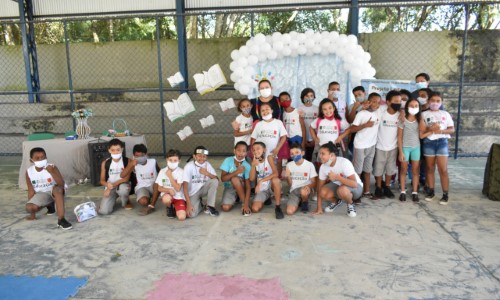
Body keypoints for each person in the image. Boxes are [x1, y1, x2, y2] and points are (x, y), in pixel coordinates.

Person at [420, 92, 454, 205]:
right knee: (430, 168)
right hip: (429, 143)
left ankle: (445, 194)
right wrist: (431, 128)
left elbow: (451, 129)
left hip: (442, 143)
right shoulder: (424, 114)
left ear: (441, 102)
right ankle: (431, 191)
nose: (435, 103)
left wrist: (441, 131)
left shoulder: (445, 114)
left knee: (443, 169)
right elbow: (422, 131)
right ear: (428, 102)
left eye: (438, 101)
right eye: (433, 100)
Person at [25, 147, 72, 229]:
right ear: (31, 160)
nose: (40, 159)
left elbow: (61, 184)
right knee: (30, 207)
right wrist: (33, 215)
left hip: (56, 191)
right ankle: (50, 205)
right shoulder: (29, 172)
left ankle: (61, 219)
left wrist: (51, 172)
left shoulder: (52, 167)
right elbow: (31, 191)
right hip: (43, 193)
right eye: (37, 158)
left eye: (42, 157)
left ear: (46, 158)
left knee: (57, 189)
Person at [314, 142, 363, 217]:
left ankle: (350, 203)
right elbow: (319, 187)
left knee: (342, 190)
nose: (320, 156)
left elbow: (354, 184)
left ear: (331, 155)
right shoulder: (323, 167)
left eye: (323, 154)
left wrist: (337, 177)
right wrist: (319, 208)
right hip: (339, 185)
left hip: (356, 187)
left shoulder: (344, 162)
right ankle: (336, 201)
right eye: (320, 153)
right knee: (323, 192)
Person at [348, 93, 383, 199]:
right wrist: (365, 125)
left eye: (378, 102)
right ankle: (356, 194)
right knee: (357, 171)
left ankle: (366, 191)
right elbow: (352, 129)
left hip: (371, 146)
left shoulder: (378, 112)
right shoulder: (361, 114)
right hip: (360, 146)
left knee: (367, 170)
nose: (375, 104)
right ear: (368, 101)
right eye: (373, 101)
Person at [373, 90, 401, 199]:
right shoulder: (381, 112)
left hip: (393, 147)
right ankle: (379, 187)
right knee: (378, 168)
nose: (398, 103)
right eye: (395, 101)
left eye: (399, 101)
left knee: (390, 168)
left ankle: (387, 187)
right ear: (388, 102)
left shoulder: (400, 115)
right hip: (380, 146)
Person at [120, 144, 160, 212]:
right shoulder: (133, 164)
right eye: (137, 156)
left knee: (157, 183)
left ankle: (152, 205)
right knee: (143, 202)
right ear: (133, 156)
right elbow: (122, 175)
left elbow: (160, 172)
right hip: (142, 187)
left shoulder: (153, 161)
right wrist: (131, 165)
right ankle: (148, 198)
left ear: (146, 154)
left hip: (153, 186)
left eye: (142, 156)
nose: (139, 158)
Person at [249, 142, 284, 219]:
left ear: (264, 150)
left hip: (271, 185)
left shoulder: (269, 158)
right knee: (255, 209)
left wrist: (261, 181)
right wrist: (253, 166)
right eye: (254, 150)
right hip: (262, 189)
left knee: (276, 180)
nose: (255, 151)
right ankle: (266, 198)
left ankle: (278, 207)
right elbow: (251, 179)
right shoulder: (254, 161)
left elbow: (276, 173)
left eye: (258, 149)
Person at [183, 146, 220, 217]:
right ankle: (201, 204)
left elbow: (217, 179)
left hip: (203, 189)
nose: (202, 158)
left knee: (214, 181)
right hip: (193, 192)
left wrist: (207, 173)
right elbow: (185, 187)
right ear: (194, 156)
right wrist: (188, 204)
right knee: (191, 215)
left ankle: (210, 206)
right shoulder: (188, 166)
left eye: (204, 156)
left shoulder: (207, 165)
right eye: (199, 156)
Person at [98, 138, 132, 215]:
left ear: (122, 150)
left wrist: (110, 187)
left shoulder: (128, 161)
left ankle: (126, 200)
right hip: (110, 186)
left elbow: (126, 178)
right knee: (104, 211)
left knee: (123, 190)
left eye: (118, 150)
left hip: (123, 185)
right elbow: (102, 180)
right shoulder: (105, 163)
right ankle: (114, 196)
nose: (116, 152)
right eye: (113, 150)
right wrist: (107, 185)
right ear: (109, 150)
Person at [398, 98, 422, 202]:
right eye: (411, 106)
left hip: (416, 148)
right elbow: (399, 137)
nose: (414, 108)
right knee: (403, 170)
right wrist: (400, 151)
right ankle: (403, 191)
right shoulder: (402, 120)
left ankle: (415, 192)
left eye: (416, 106)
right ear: (407, 107)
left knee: (415, 170)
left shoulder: (420, 119)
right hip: (405, 148)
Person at [220, 141, 252, 216]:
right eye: (238, 150)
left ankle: (244, 203)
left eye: (244, 151)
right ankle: (237, 198)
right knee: (225, 208)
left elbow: (248, 187)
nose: (241, 153)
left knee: (235, 179)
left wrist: (246, 204)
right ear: (234, 151)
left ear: (246, 153)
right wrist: (236, 172)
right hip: (230, 187)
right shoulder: (228, 160)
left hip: (242, 187)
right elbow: (223, 179)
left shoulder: (247, 166)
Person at [310, 98, 344, 167]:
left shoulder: (338, 121)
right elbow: (311, 127)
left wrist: (341, 137)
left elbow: (348, 129)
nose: (328, 111)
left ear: (334, 108)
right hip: (320, 146)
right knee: (319, 165)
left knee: (335, 165)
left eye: (330, 108)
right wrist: (314, 137)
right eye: (324, 109)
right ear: (321, 111)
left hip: (334, 148)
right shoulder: (318, 120)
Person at [285, 143, 317, 214]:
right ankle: (299, 200)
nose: (294, 155)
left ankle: (304, 202)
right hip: (294, 190)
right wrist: (288, 176)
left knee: (303, 191)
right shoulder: (289, 165)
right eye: (292, 154)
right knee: (289, 212)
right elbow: (290, 185)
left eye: (297, 152)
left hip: (306, 189)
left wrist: (308, 186)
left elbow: (314, 182)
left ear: (302, 153)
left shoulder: (309, 165)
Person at [155, 149, 186, 220]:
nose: (172, 162)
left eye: (175, 160)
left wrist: (170, 176)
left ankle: (177, 207)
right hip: (167, 195)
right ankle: (169, 207)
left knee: (182, 217)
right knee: (166, 199)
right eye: (170, 160)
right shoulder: (162, 171)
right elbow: (159, 188)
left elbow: (178, 189)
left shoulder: (181, 172)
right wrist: (168, 190)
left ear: (179, 161)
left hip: (179, 196)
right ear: (167, 160)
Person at [298, 88, 318, 161]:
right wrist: (304, 140)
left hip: (314, 139)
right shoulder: (299, 109)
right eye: (306, 96)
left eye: (311, 95)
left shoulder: (317, 109)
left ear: (314, 97)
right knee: (304, 159)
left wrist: (314, 139)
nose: (309, 98)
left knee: (313, 159)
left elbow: (318, 125)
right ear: (303, 97)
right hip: (303, 139)